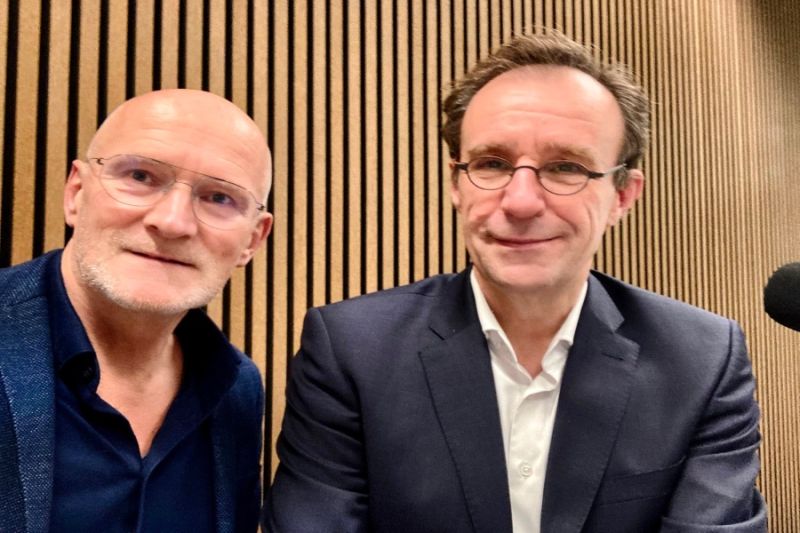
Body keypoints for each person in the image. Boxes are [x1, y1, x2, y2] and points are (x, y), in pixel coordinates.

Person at [265, 32, 766, 532]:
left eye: (566, 167)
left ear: (622, 196)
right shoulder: (351, 351)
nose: (520, 201)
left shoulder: (703, 362)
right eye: (492, 164)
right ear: (456, 183)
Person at [0, 89, 273, 532]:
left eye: (220, 198)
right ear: (76, 192)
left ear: (253, 240)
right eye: (141, 176)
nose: (172, 222)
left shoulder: (237, 389)